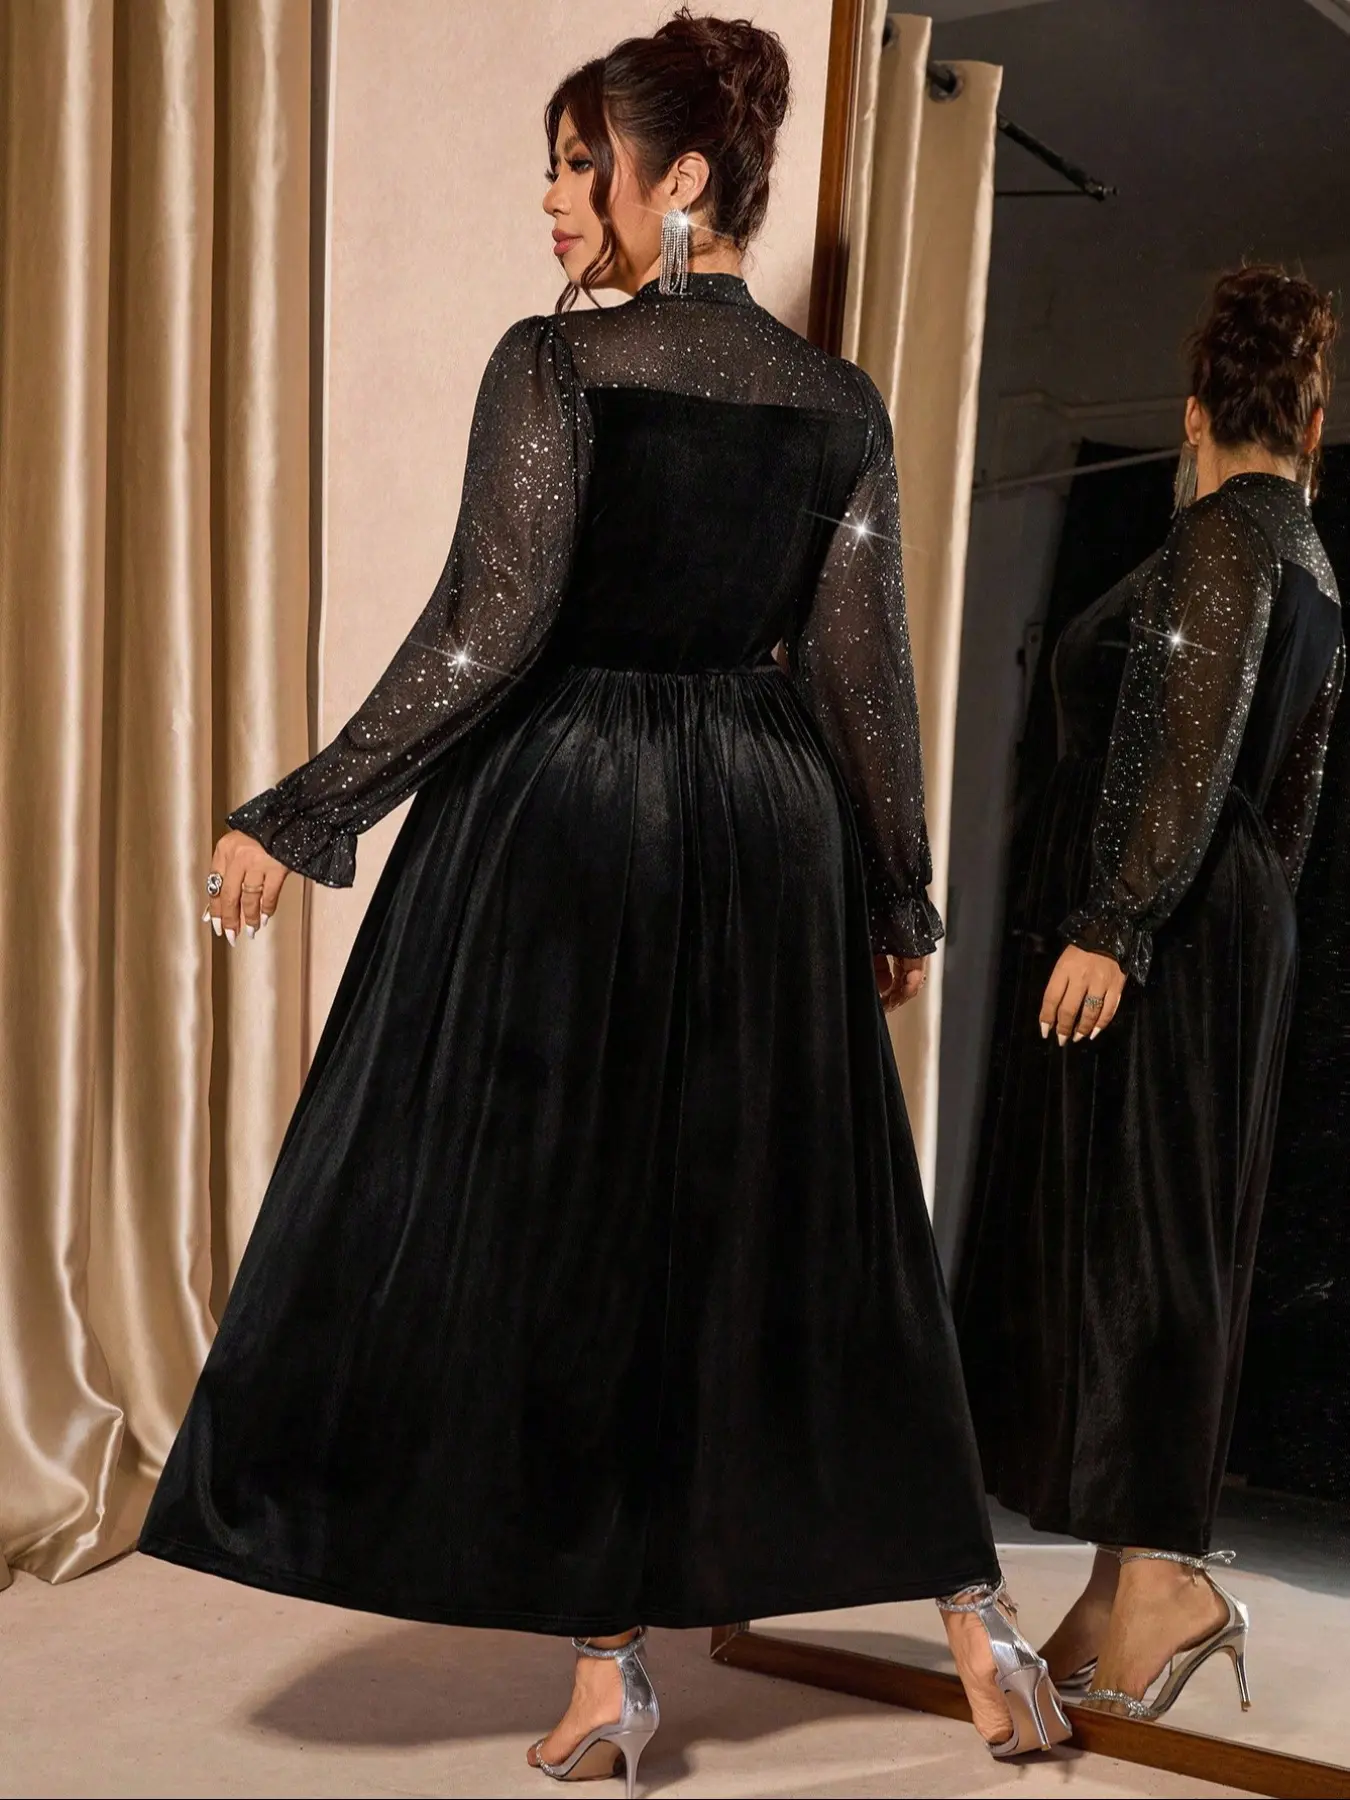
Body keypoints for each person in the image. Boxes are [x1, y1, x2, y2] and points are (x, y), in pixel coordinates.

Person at [139, 12, 1071, 1787]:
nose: (556, 201)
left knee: (573, 1240)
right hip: (768, 827)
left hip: (575, 819)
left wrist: (305, 810)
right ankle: (978, 1617)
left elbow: (488, 632)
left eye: (584, 164)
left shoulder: (556, 365)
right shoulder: (838, 402)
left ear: (682, 177)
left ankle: (605, 1670)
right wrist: (894, 893)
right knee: (814, 1237)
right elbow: (861, 678)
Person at [956, 265, 1343, 1721]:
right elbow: (1292, 799)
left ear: (1193, 416)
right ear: (1312, 422)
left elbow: (1190, 727)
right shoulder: (1310, 558)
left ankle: (1167, 1576)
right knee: (1155, 1238)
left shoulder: (1225, 536)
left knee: (1141, 1240)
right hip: (1227, 924)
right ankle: (1125, 1579)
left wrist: (1118, 922)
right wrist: (1236, 934)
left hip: (1163, 924)